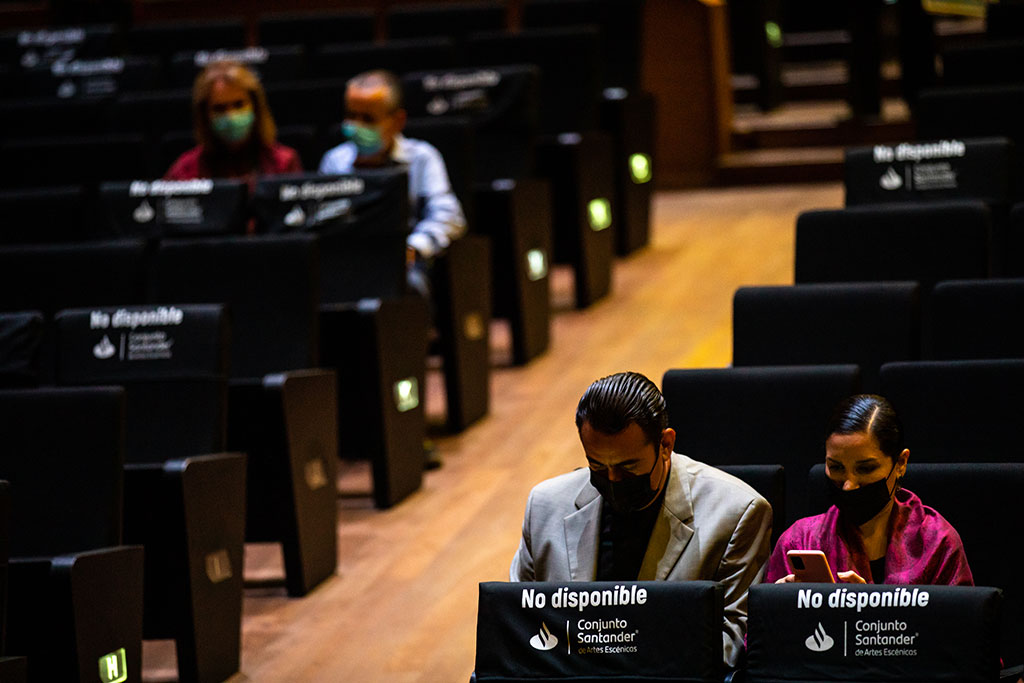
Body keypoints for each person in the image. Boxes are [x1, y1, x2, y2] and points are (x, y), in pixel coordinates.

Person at [510, 371, 773, 669]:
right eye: (596, 464)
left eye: (627, 467)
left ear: (665, 445)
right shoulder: (545, 505)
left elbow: (734, 639)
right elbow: (518, 622)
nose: (611, 480)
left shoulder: (738, 513)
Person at [767, 394, 973, 586]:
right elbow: (767, 622)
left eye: (865, 469)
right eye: (837, 467)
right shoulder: (800, 541)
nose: (849, 485)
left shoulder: (937, 542)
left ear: (900, 463)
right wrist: (784, 610)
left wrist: (870, 613)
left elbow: (955, 622)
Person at [318, 69, 466, 298]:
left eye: (368, 119)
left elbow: (449, 216)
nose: (356, 126)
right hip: (347, 262)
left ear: (398, 121)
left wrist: (412, 248)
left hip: (404, 263)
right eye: (351, 115)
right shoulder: (334, 161)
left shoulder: (422, 157)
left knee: (410, 282)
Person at [165, 59, 302, 183]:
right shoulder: (185, 170)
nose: (230, 116)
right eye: (220, 108)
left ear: (256, 107)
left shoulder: (284, 162)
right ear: (205, 115)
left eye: (238, 105)